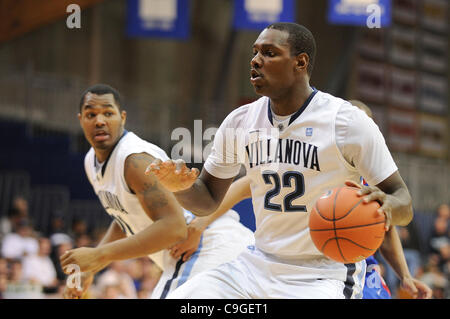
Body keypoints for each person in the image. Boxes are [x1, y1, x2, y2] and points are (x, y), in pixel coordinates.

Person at [147, 23, 415, 299]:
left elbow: (403, 200)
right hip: (256, 264)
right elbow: (206, 202)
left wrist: (386, 207)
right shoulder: (240, 121)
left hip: (323, 273)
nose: (255, 60)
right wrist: (180, 188)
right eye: (255, 53)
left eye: (269, 53)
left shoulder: (346, 121)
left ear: (300, 62)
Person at [60, 84, 254, 299]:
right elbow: (126, 219)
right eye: (91, 114)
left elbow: (175, 229)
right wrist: (93, 266)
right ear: (80, 119)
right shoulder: (91, 162)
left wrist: (99, 254)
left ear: (122, 118)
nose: (99, 121)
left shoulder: (134, 159)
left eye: (108, 113)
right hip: (209, 251)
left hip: (206, 246)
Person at [349, 99, 431, 299]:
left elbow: (387, 230)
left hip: (364, 269)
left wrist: (405, 276)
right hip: (320, 272)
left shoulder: (371, 183)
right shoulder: (319, 174)